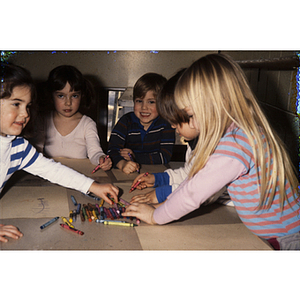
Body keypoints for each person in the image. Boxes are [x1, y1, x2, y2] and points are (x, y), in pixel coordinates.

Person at [123, 54, 300, 250]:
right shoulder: (239, 134)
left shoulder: (235, 144)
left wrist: (155, 216)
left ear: (217, 104)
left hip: (287, 238)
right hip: (277, 234)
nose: (189, 124)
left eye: (190, 115)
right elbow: (192, 181)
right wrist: (162, 206)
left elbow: (193, 193)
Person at [0, 63, 119, 243]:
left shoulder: (19, 147)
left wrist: (94, 187)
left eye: (28, 105)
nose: (25, 113)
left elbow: (52, 170)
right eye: (16, 104)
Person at [129, 70, 231, 205]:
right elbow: (189, 176)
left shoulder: (221, 149)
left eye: (176, 121)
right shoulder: (196, 143)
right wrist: (158, 179)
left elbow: (202, 191)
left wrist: (163, 193)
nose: (172, 126)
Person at [36, 65, 112, 171]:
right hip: (50, 175)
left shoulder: (87, 124)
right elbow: (36, 152)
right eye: (61, 96)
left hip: (79, 177)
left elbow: (95, 152)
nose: (68, 103)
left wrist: (101, 158)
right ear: (51, 96)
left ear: (82, 96)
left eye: (74, 96)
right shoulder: (43, 120)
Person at [107, 73, 175, 174]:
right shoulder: (125, 121)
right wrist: (122, 163)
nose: (144, 107)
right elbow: (111, 151)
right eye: (139, 101)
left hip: (156, 174)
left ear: (162, 103)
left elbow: (164, 156)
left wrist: (134, 157)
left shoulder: (166, 124)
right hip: (127, 172)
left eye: (151, 102)